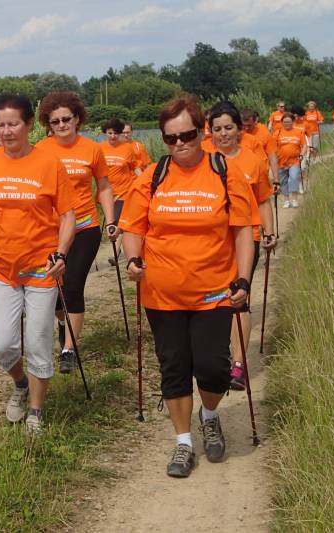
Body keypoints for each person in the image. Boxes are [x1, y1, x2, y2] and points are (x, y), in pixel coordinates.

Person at [120, 93, 254, 478]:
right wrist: (133, 259)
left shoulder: (225, 173)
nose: (180, 144)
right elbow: (133, 227)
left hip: (214, 291)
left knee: (213, 368)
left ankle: (209, 415)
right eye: (170, 138)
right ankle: (183, 442)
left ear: (202, 131)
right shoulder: (153, 176)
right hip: (162, 293)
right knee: (174, 368)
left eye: (187, 135)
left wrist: (244, 279)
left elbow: (243, 231)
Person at [0, 93, 76, 433]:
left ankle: (36, 411)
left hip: (41, 267)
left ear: (28, 125)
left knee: (38, 341)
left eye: (13, 124)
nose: (7, 131)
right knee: (3, 345)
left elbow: (67, 215)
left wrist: (61, 253)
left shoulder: (49, 164)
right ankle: (20, 383)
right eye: (1, 125)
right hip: (1, 267)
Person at [35, 91, 116, 373]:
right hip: (51, 231)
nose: (61, 125)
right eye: (54, 121)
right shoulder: (40, 150)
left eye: (66, 119)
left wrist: (110, 219)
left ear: (77, 119)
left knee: (72, 286)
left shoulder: (92, 149)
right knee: (55, 289)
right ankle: (62, 321)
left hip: (84, 227)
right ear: (48, 124)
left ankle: (68, 349)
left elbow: (104, 186)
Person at [207, 101, 278, 390]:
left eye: (228, 128)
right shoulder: (203, 159)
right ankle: (215, 355)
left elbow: (263, 200)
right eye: (217, 129)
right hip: (212, 240)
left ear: (239, 129)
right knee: (214, 299)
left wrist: (269, 231)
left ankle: (238, 364)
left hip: (247, 237)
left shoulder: (253, 160)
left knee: (239, 298)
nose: (223, 134)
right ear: (210, 131)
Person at [99, 118, 140, 265]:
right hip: (107, 193)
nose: (112, 136)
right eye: (110, 133)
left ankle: (115, 253)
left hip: (124, 191)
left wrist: (144, 182)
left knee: (118, 221)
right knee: (114, 222)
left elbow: (135, 167)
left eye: (116, 133)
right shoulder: (99, 148)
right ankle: (117, 251)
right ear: (105, 133)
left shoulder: (127, 148)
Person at [273, 113, 308, 208]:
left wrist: (302, 154)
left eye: (288, 122)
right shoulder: (277, 133)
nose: (286, 124)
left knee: (294, 178)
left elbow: (304, 145)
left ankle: (294, 199)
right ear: (281, 122)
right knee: (283, 181)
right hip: (281, 161)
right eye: (284, 122)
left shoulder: (299, 132)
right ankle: (286, 200)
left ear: (293, 122)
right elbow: (272, 146)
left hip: (294, 161)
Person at [241, 108, 280, 185]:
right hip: (242, 176)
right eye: (243, 125)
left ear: (255, 121)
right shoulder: (236, 134)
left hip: (261, 176)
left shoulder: (264, 133)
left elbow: (272, 156)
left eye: (249, 125)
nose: (246, 128)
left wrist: (276, 179)